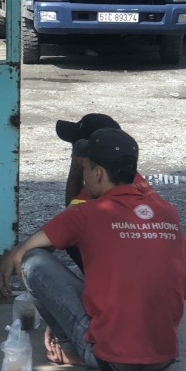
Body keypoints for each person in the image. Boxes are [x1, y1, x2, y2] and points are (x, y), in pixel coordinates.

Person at [0, 128, 186, 371]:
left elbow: (23, 254)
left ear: (97, 173)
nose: (83, 177)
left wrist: (7, 268)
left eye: (84, 169)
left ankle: (70, 349)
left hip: (111, 361)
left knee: (34, 262)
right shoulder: (168, 212)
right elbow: (179, 292)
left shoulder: (86, 213)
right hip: (163, 359)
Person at [55, 113, 154, 271]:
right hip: (150, 272)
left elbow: (67, 222)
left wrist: (76, 167)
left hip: (119, 282)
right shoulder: (131, 176)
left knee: (36, 256)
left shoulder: (97, 187)